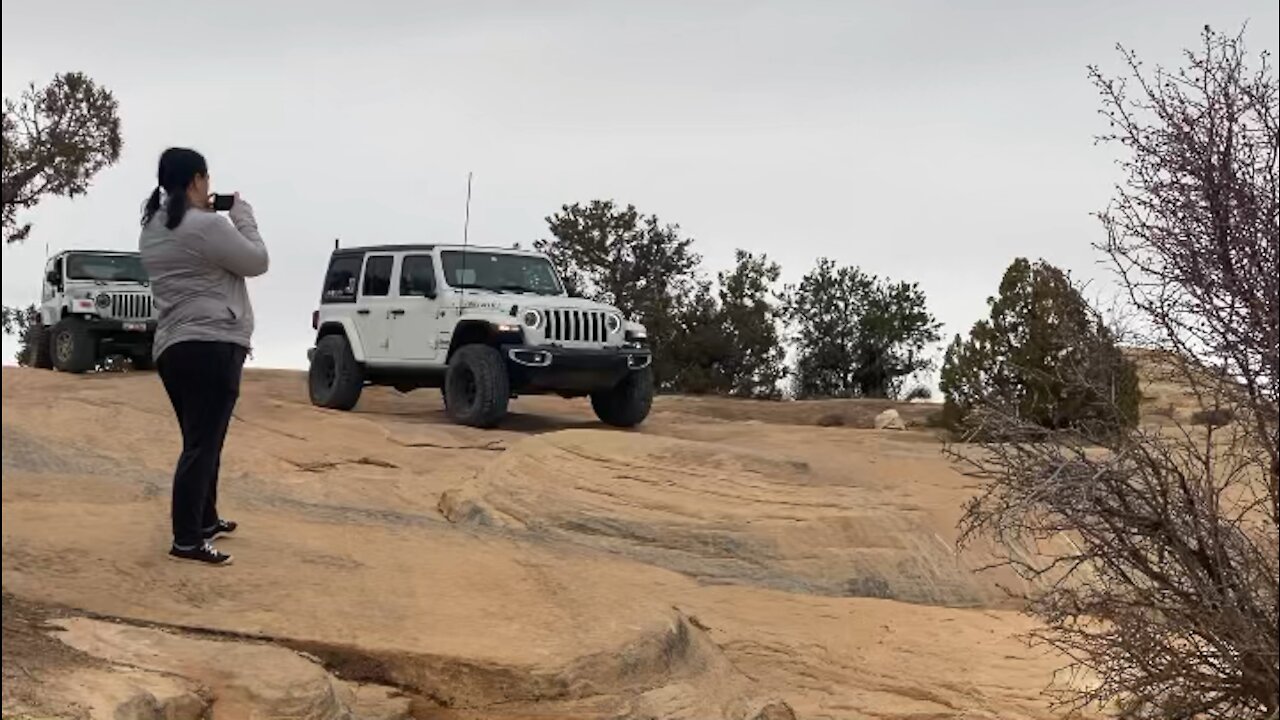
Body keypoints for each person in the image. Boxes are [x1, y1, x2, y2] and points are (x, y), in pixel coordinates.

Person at [139, 147, 269, 566]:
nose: (209, 187)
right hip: (212, 343)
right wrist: (242, 213)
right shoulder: (206, 225)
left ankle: (205, 519)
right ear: (196, 180)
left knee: (202, 439)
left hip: (175, 348)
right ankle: (187, 540)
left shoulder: (154, 228)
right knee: (202, 443)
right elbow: (257, 261)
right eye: (206, 180)